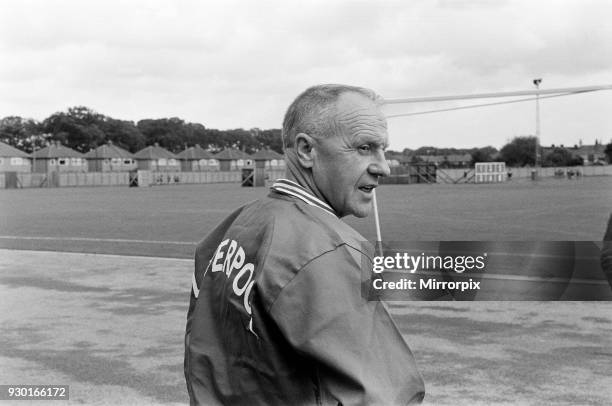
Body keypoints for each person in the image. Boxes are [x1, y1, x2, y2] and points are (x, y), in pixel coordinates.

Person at [184, 84, 425, 405]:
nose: (384, 166)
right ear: (306, 151)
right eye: (365, 148)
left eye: (384, 150)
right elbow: (379, 396)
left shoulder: (236, 223)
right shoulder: (327, 250)